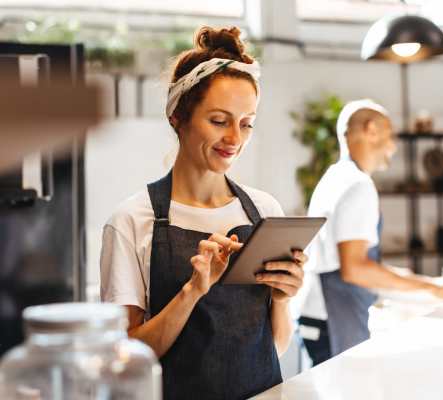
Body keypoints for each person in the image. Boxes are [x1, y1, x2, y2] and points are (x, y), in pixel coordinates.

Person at [100, 26, 306, 400]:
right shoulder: (132, 220)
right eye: (219, 120)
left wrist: (282, 298)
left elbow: (273, 347)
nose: (235, 139)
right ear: (178, 117)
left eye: (246, 124)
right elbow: (125, 362)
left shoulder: (264, 211)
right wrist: (193, 291)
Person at [299, 99, 443, 365]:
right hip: (336, 317)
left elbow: (352, 262)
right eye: (391, 134)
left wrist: (414, 280)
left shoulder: (334, 177)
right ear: (371, 129)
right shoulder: (359, 185)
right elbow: (355, 268)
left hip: (319, 315)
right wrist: (431, 287)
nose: (393, 146)